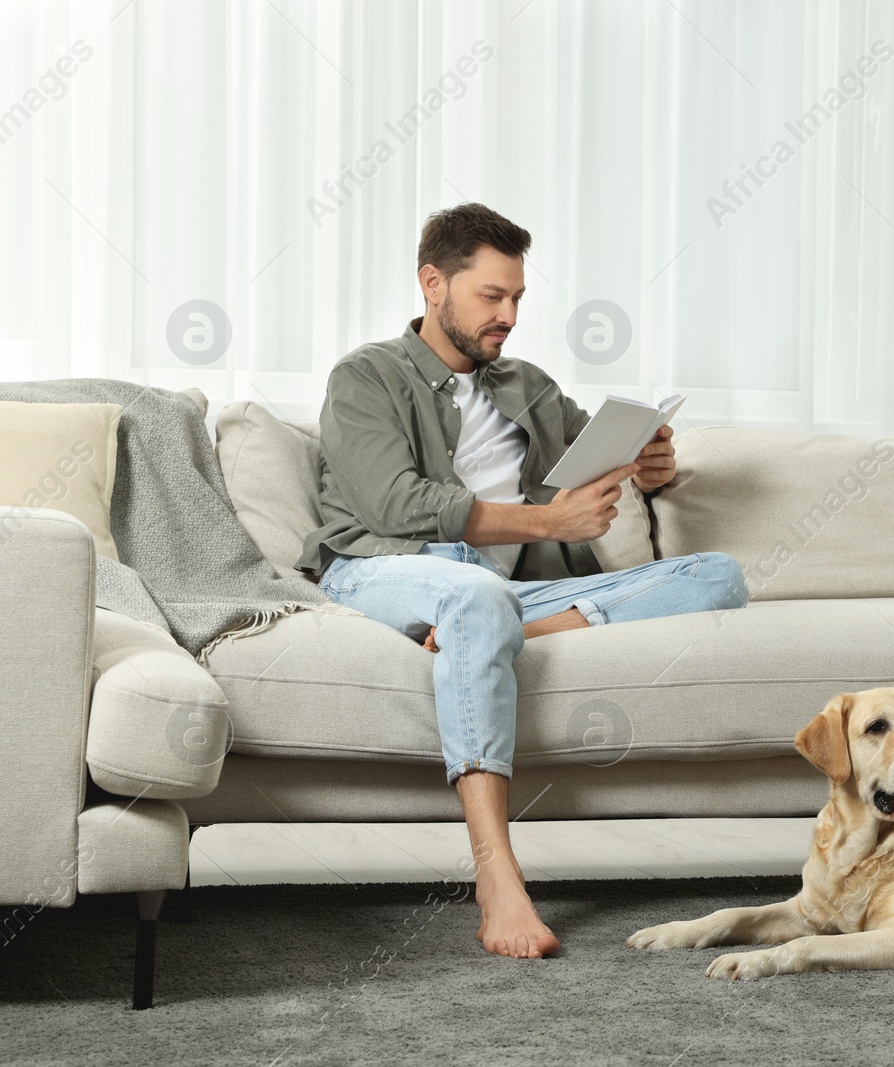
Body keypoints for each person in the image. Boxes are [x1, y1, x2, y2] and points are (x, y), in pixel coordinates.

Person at [295, 202, 750, 959]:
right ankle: (496, 874)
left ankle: (498, 633)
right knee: (474, 596)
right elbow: (396, 503)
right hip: (384, 573)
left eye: (517, 299)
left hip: (505, 598)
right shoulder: (365, 376)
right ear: (432, 283)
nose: (507, 315)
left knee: (719, 575)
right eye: (491, 297)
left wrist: (651, 465)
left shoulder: (527, 386)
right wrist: (547, 524)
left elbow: (597, 456)